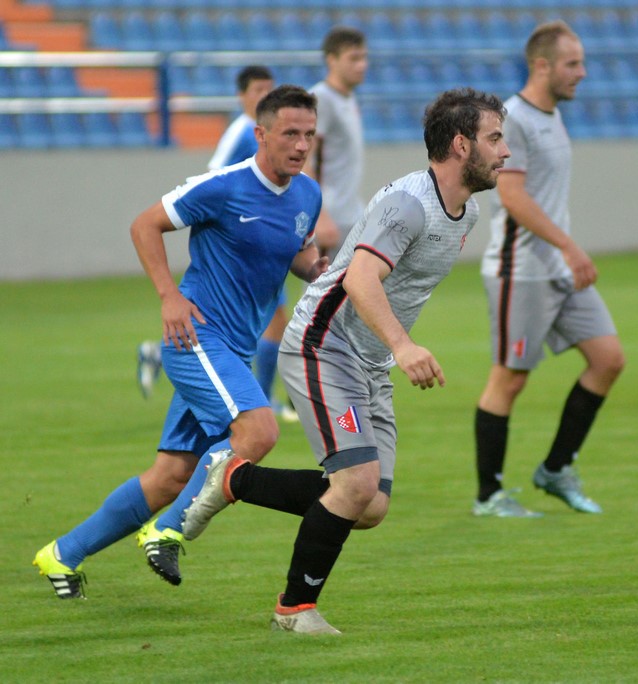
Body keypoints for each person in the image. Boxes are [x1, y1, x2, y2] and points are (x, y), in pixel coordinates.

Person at [181, 88, 511, 634]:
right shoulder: (409, 204)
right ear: (460, 144)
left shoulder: (467, 212)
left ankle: (236, 478)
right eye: (495, 138)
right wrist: (405, 346)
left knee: (370, 506)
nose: (505, 151)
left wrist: (389, 351)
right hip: (323, 344)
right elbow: (360, 279)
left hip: (370, 363)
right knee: (355, 486)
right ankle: (294, 610)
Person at [33, 85, 329, 599]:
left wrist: (318, 271)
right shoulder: (224, 187)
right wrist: (169, 296)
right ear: (261, 134)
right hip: (196, 337)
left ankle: (62, 553)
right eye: (290, 134)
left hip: (233, 350)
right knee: (258, 432)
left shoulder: (307, 194)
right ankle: (167, 531)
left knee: (171, 475)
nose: (301, 145)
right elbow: (144, 225)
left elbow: (296, 254)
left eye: (309, 134)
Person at [472, 21, 625, 518]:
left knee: (608, 360)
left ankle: (556, 469)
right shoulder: (513, 119)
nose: (582, 73)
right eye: (572, 64)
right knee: (509, 379)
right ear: (542, 66)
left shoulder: (552, 115)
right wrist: (570, 246)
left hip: (557, 268)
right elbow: (512, 196)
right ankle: (489, 496)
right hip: (522, 270)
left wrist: (565, 252)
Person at [137, 65, 297, 423]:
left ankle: (255, 395)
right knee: (266, 322)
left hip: (262, 244)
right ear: (242, 96)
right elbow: (213, 180)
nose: (264, 96)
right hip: (241, 247)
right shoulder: (241, 132)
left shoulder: (273, 135)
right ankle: (262, 398)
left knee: (260, 323)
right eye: (257, 90)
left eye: (269, 89)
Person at [304, 25, 368, 258]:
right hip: (330, 220)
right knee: (325, 282)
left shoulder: (348, 97)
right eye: (354, 58)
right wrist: (319, 216)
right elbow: (305, 160)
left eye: (364, 58)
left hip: (350, 215)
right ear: (332, 60)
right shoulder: (321, 99)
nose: (362, 65)